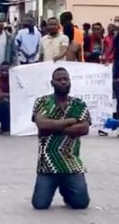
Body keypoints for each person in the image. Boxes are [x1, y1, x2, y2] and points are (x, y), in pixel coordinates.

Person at [31, 67, 91, 210]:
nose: (63, 82)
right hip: (48, 164)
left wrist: (53, 127)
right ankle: (60, 186)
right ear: (52, 83)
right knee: (40, 204)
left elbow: (84, 129)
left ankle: (66, 189)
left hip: (71, 163)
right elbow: (42, 124)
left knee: (81, 204)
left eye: (66, 79)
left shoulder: (78, 104)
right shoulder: (42, 102)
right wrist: (70, 121)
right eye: (59, 80)